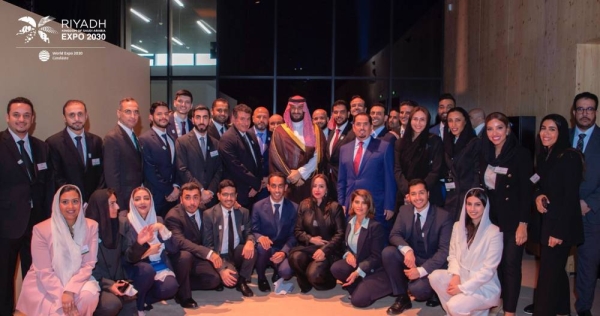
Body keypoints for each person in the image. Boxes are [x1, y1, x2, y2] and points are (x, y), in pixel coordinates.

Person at [0, 97, 53, 315]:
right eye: (16, 115)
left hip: (37, 224)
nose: (21, 120)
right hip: (6, 224)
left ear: (33, 119)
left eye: (26, 115)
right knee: (4, 278)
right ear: (7, 117)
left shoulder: (41, 147)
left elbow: (48, 185)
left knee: (38, 276)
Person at [16, 185, 100, 316]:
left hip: (76, 279)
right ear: (57, 204)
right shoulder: (41, 230)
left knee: (89, 297)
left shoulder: (91, 226)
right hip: (46, 284)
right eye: (65, 202)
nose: (71, 207)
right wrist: (63, 296)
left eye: (75, 201)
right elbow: (44, 271)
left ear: (81, 203)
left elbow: (88, 264)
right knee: (59, 311)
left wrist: (70, 291)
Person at [480, 112, 532, 316]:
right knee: (496, 263)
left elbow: (527, 191)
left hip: (513, 219)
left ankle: (510, 311)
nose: (495, 133)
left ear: (508, 129)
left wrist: (523, 223)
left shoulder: (520, 154)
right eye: (490, 129)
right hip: (492, 218)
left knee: (511, 264)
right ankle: (499, 300)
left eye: (499, 128)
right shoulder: (486, 153)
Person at [533, 114, 584, 316]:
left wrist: (558, 232)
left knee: (547, 276)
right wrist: (538, 195)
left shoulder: (569, 156)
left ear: (561, 132)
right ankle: (563, 311)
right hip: (548, 221)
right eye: (543, 128)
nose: (546, 133)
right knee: (555, 272)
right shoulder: (546, 154)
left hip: (560, 226)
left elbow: (571, 198)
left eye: (552, 129)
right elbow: (537, 182)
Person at [382, 179, 453, 314]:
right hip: (414, 258)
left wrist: (421, 271)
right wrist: (407, 250)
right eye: (413, 194)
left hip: (433, 265)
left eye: (421, 193)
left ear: (428, 194)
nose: (418, 198)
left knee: (418, 290)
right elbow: (394, 234)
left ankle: (435, 291)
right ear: (408, 197)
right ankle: (402, 297)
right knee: (388, 253)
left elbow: (445, 251)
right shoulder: (404, 211)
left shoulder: (443, 216)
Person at [429, 188, 503, 316]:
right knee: (434, 276)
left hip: (482, 285)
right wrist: (456, 275)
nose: (472, 209)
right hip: (461, 276)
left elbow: (488, 270)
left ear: (485, 206)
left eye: (477, 204)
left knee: (454, 305)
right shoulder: (458, 226)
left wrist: (462, 288)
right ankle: (456, 311)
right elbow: (452, 255)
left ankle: (463, 308)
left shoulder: (494, 232)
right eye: (469, 204)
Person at [164, 182, 222, 309]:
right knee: (185, 256)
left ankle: (181, 283)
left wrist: (234, 205)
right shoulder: (173, 216)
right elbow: (181, 242)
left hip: (197, 257)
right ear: (181, 199)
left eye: (195, 197)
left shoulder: (204, 211)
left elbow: (220, 211)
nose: (192, 202)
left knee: (214, 280)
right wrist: (208, 253)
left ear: (200, 199)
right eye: (187, 197)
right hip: (179, 257)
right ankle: (183, 295)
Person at [122, 187, 179, 314]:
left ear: (151, 201)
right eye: (137, 199)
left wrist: (162, 228)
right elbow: (127, 256)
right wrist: (146, 253)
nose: (142, 202)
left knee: (171, 288)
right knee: (146, 271)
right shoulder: (126, 222)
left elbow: (174, 249)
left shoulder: (158, 220)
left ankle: (144, 297)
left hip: (159, 266)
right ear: (132, 203)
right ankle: (138, 305)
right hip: (138, 267)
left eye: (146, 198)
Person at [330, 189, 391, 308]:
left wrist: (358, 272)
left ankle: (369, 286)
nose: (360, 206)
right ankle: (360, 285)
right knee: (336, 268)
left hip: (374, 269)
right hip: (358, 262)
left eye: (364, 203)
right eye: (357, 202)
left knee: (358, 301)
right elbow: (345, 245)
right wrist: (348, 254)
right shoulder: (350, 221)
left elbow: (376, 257)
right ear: (352, 203)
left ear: (369, 206)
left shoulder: (375, 227)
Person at [337, 113, 396, 230]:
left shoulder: (384, 147)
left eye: (365, 124)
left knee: (374, 242)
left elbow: (389, 178)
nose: (362, 128)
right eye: (358, 124)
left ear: (371, 127)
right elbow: (341, 180)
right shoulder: (344, 149)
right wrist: (342, 203)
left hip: (375, 205)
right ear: (353, 127)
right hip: (351, 205)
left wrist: (389, 205)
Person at [289, 174, 346, 293]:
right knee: (295, 257)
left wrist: (324, 250)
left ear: (326, 189)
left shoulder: (335, 207)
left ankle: (329, 278)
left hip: (329, 251)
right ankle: (306, 282)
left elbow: (340, 234)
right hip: (309, 247)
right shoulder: (304, 204)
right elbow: (297, 231)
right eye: (314, 186)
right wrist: (310, 239)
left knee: (314, 275)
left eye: (321, 186)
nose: (317, 189)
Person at [85, 189, 136, 316]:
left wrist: (140, 244)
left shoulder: (120, 223)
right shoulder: (85, 230)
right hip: (96, 282)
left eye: (116, 203)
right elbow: (86, 267)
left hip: (117, 277)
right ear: (100, 207)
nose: (118, 207)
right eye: (112, 204)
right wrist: (108, 285)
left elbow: (129, 256)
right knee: (112, 304)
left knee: (131, 300)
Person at [571, 92, 600, 316]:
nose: (585, 113)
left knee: (587, 264)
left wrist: (589, 203)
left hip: (591, 213)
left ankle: (583, 307)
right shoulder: (562, 137)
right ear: (574, 112)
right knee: (553, 259)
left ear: (596, 112)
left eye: (590, 109)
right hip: (563, 210)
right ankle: (553, 300)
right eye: (581, 109)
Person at [203, 180, 256, 297]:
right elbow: (208, 245)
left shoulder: (243, 212)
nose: (229, 198)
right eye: (225, 194)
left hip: (236, 251)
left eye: (232, 194)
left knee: (251, 250)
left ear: (236, 196)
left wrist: (250, 241)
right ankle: (228, 275)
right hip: (219, 254)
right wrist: (221, 268)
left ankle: (243, 281)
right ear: (218, 196)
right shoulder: (209, 214)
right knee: (231, 280)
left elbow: (249, 232)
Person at [269, 96, 326, 203]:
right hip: (287, 184)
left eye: (299, 108)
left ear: (304, 109)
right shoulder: (279, 131)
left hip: (309, 183)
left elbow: (319, 156)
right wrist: (292, 177)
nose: (296, 111)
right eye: (293, 108)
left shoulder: (316, 130)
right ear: (288, 109)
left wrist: (300, 173)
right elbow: (276, 156)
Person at [46, 99, 104, 202]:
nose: (77, 119)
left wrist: (95, 199)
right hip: (69, 203)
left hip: (93, 203)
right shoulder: (53, 143)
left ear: (86, 116)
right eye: (72, 115)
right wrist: (75, 199)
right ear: (64, 118)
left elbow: (101, 174)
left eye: (80, 114)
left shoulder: (96, 141)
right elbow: (57, 177)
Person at [251, 172, 298, 292]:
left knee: (286, 272)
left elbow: (294, 235)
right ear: (268, 187)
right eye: (273, 186)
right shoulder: (258, 206)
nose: (277, 190)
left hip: (282, 248)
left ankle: (278, 270)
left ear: (286, 188)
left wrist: (283, 252)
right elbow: (254, 230)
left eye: (280, 186)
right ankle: (261, 277)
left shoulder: (294, 208)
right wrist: (260, 237)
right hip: (266, 248)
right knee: (262, 246)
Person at [394, 106, 444, 207]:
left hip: (428, 194)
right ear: (410, 120)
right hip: (405, 195)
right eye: (415, 119)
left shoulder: (434, 141)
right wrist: (409, 192)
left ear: (428, 121)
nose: (418, 123)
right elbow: (397, 169)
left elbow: (435, 171)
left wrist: (419, 193)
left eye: (422, 120)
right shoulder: (400, 143)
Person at [175, 105, 222, 208]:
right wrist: (200, 191)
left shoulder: (216, 143)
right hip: (191, 198)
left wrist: (210, 191)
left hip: (211, 199)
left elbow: (219, 170)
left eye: (205, 117)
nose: (202, 121)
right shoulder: (182, 142)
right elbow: (182, 169)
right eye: (198, 117)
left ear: (209, 120)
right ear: (192, 120)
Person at [218, 104, 264, 209]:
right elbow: (236, 167)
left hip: (253, 191)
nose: (246, 123)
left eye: (248, 119)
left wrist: (257, 185)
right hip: (238, 193)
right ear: (234, 119)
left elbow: (258, 160)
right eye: (242, 119)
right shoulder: (227, 139)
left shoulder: (250, 134)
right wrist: (257, 184)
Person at [139, 101, 180, 217]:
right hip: (156, 197)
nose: (163, 117)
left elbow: (176, 165)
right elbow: (150, 171)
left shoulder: (172, 139)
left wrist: (176, 187)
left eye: (166, 114)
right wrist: (169, 190)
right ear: (151, 117)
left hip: (174, 198)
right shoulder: (144, 139)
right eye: (159, 114)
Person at [103, 97, 143, 208]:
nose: (133, 116)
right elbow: (112, 176)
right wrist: (119, 204)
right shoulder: (112, 138)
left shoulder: (134, 136)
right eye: (128, 112)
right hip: (123, 200)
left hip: (135, 197)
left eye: (136, 112)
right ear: (118, 113)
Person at [442, 107, 481, 220]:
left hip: (467, 196)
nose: (453, 124)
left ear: (465, 122)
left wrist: (473, 196)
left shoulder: (474, 143)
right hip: (451, 197)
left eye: (457, 120)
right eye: (450, 120)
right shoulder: (448, 142)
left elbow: (477, 173)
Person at [326, 100, 355, 201]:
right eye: (335, 112)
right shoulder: (332, 132)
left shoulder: (353, 133)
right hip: (330, 182)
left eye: (342, 112)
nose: (338, 115)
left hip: (345, 183)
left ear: (348, 113)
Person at [248, 106, 271, 201]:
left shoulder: (274, 136)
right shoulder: (245, 135)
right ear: (253, 119)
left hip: (269, 187)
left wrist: (270, 178)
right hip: (250, 188)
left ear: (268, 119)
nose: (261, 120)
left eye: (265, 117)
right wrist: (255, 182)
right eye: (259, 117)